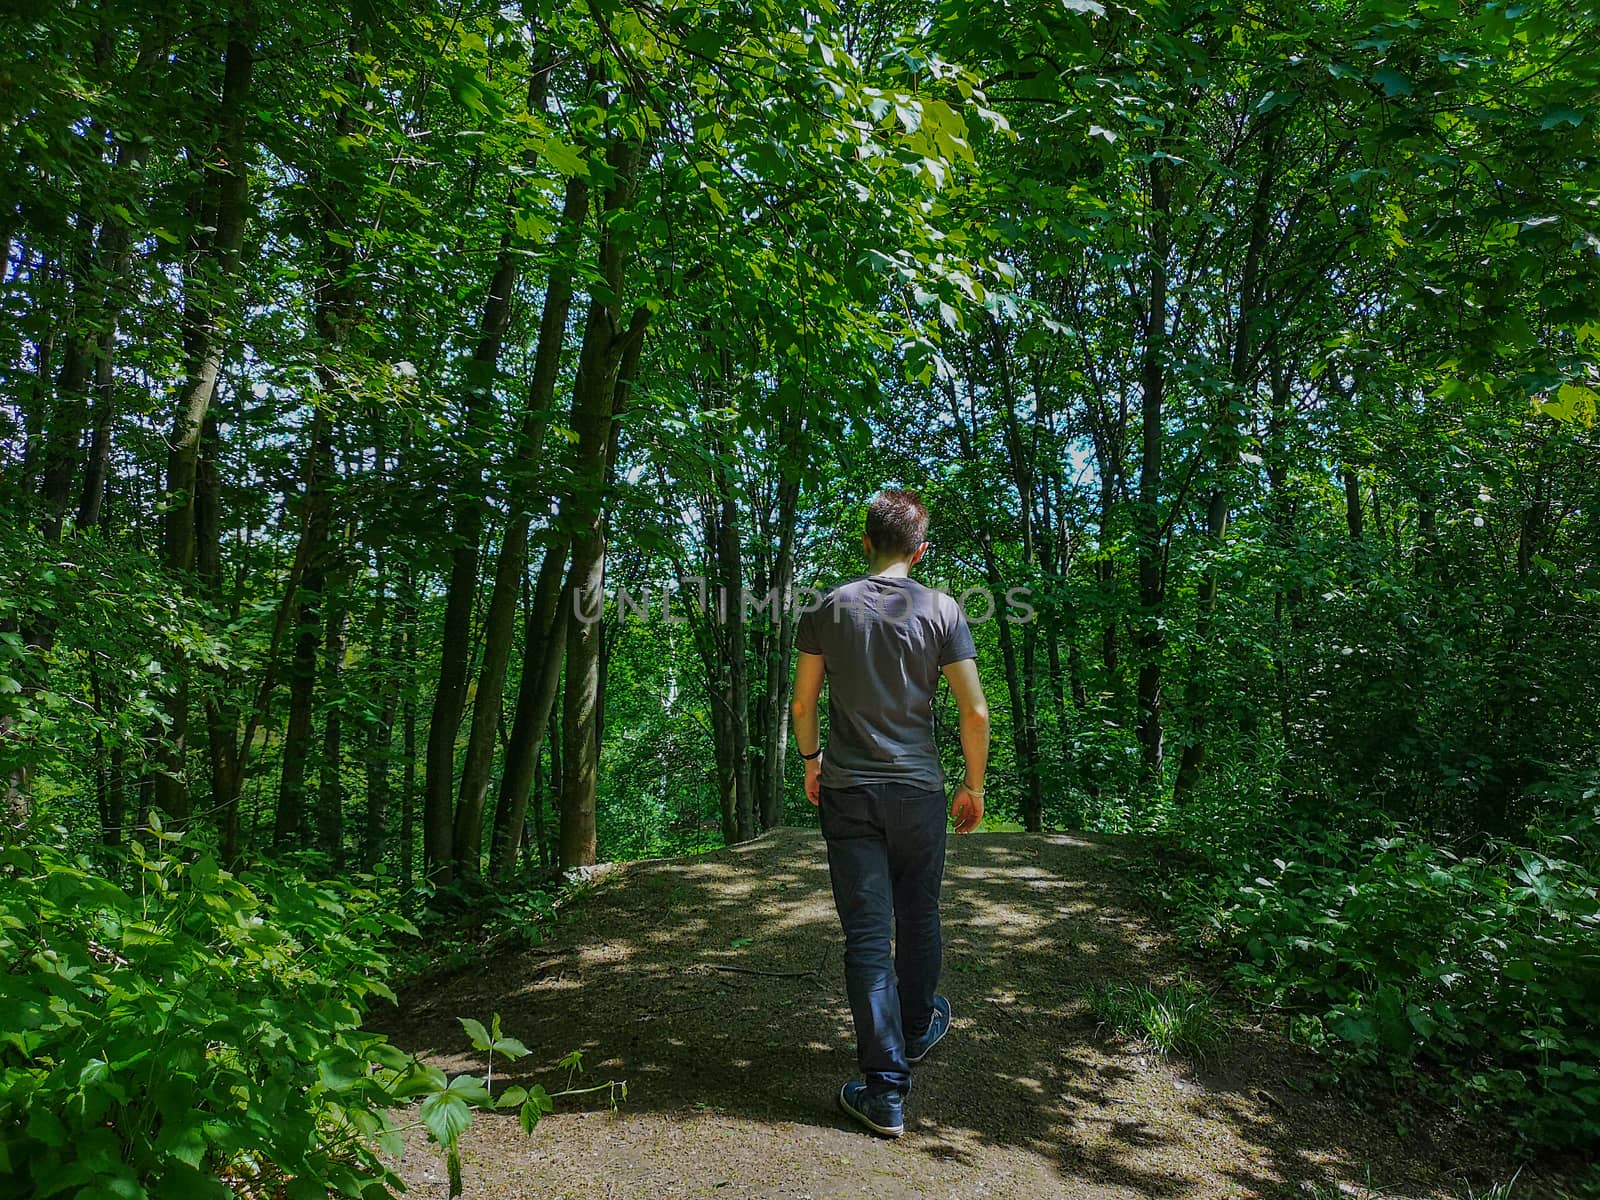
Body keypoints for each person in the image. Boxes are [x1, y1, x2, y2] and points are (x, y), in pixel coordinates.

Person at [789, 488, 991, 1138]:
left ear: (866, 542)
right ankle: (914, 1029)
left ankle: (885, 1093)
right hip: (919, 793)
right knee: (920, 913)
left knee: (869, 938)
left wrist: (811, 760)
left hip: (848, 792)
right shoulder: (942, 609)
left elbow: (802, 706)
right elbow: (975, 711)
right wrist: (974, 787)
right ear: (920, 550)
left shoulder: (827, 607)